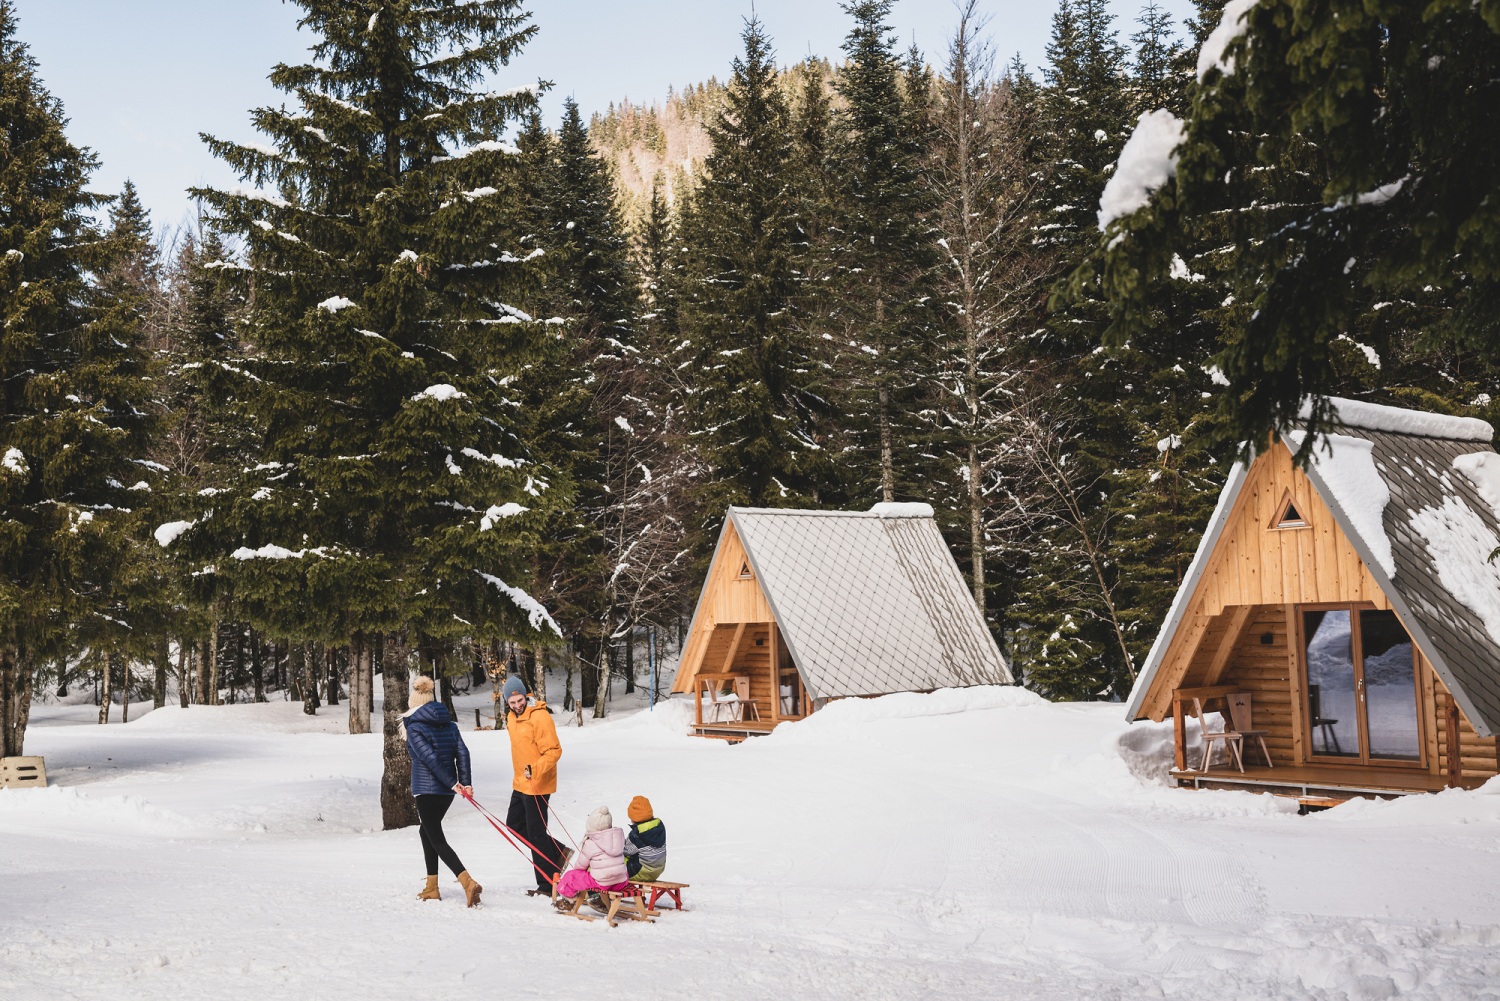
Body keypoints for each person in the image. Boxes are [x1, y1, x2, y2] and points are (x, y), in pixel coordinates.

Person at [403, 675, 482, 907]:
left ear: (414, 701)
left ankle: (467, 882)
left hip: (428, 789)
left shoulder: (415, 726)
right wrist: (463, 782)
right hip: (446, 793)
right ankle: (431, 887)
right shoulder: (449, 724)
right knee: (425, 832)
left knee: (435, 837)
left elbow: (429, 758)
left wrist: (453, 783)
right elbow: (463, 753)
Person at [501, 675, 567, 893]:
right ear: (507, 703)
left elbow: (554, 751)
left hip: (538, 783)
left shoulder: (540, 717)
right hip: (520, 783)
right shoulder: (510, 718)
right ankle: (557, 851)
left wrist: (535, 770)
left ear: (525, 695)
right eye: (512, 703)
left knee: (536, 833)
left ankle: (547, 885)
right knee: (514, 825)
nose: (517, 705)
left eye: (520, 700)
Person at [554, 805, 630, 905]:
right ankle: (602, 898)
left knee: (571, 876)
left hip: (602, 883)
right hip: (621, 881)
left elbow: (581, 866)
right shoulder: (618, 838)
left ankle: (569, 898)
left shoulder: (591, 843)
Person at [624, 795, 667, 883]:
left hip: (640, 872)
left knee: (611, 864)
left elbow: (624, 851)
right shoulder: (659, 827)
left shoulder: (637, 835)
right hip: (658, 870)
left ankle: (597, 888)